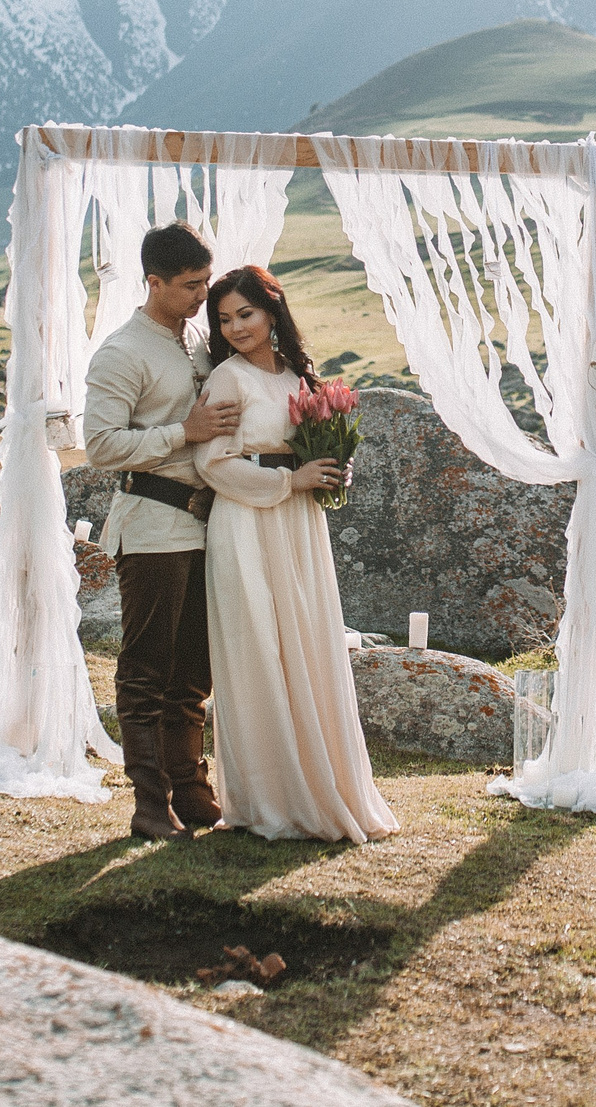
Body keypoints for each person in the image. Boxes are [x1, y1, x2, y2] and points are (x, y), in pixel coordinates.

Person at [195, 266, 397, 843]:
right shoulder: (227, 379)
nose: (236, 328)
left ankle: (324, 782)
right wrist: (291, 480)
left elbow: (308, 444)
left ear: (272, 311)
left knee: (307, 643)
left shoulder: (297, 376)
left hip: (299, 525)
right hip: (247, 521)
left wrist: (332, 468)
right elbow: (212, 464)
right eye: (224, 319)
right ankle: (270, 799)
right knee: (259, 646)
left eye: (246, 314)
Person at [82, 222, 243, 841]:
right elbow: (100, 445)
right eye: (191, 284)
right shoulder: (122, 352)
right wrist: (184, 433)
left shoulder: (198, 339)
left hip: (206, 524)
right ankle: (150, 805)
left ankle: (192, 791)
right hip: (151, 527)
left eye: (206, 280)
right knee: (147, 669)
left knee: (194, 669)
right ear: (154, 282)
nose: (204, 294)